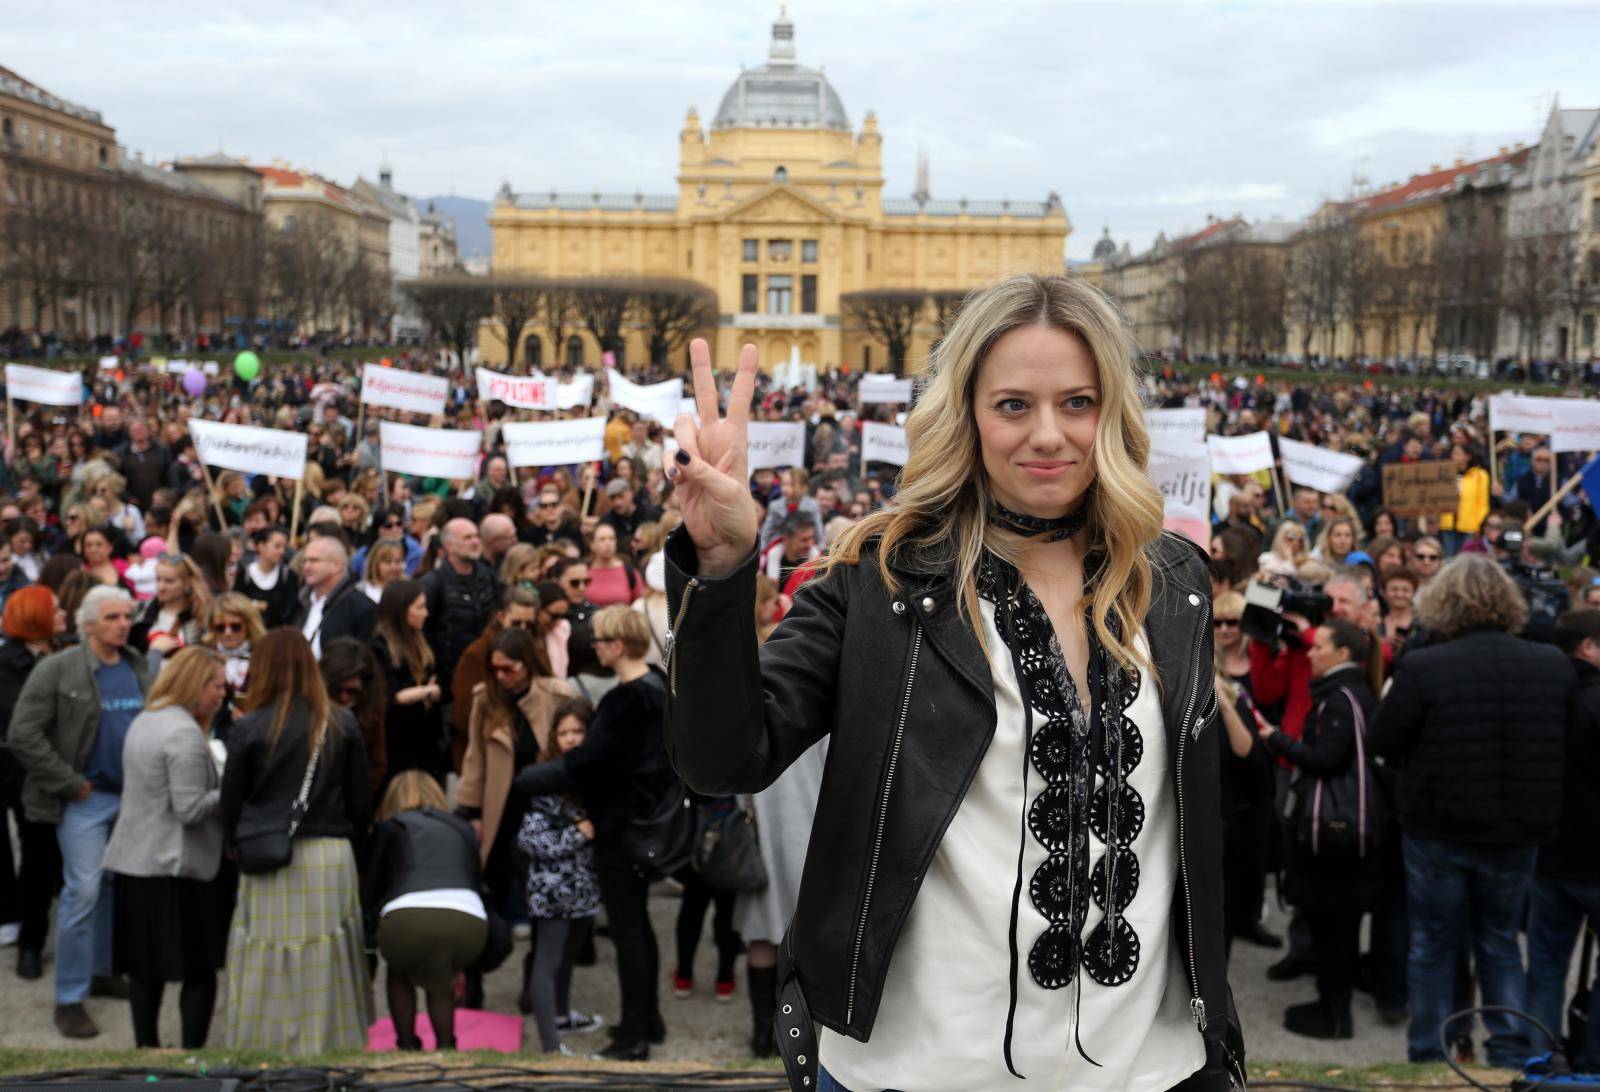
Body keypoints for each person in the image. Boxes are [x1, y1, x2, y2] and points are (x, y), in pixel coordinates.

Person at [661, 275, 1242, 1090]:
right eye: (1013, 405)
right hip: (919, 1068)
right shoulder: (880, 584)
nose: (1049, 434)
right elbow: (723, 760)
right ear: (965, 413)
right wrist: (721, 572)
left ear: (1111, 412)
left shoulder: (1173, 583)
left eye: (1077, 402)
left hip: (1152, 1068)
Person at [1370, 554, 1573, 1068]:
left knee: (1434, 946)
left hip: (1440, 830)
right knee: (1501, 943)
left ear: (1443, 602)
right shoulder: (1551, 665)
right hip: (1514, 832)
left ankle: (1431, 1054)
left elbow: (1382, 738)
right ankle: (1507, 1052)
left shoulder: (1423, 666)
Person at [514, 605, 675, 1061]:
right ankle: (649, 1022)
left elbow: (590, 763)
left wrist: (532, 779)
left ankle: (633, 1037)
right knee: (638, 928)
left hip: (621, 831)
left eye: (600, 641)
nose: (595, 648)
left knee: (628, 931)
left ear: (617, 645)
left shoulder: (626, 699)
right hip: (646, 826)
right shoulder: (657, 685)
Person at [219, 628, 373, 1054]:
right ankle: (329, 1045)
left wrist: (237, 845)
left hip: (269, 853)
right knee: (327, 959)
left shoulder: (250, 727)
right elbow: (362, 803)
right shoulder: (341, 721)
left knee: (267, 959)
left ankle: (264, 1045)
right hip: (329, 853)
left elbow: (230, 805)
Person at [8, 586, 149, 1039]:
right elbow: (23, 734)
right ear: (88, 624)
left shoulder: (136, 664)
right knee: (82, 892)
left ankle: (103, 970)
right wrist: (71, 784)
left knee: (110, 886)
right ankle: (69, 998)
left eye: (127, 616)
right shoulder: (57, 669)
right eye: (111, 617)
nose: (122, 624)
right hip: (84, 802)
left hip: (128, 799)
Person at [101, 647, 231, 1048]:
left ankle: (146, 1051)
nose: (223, 694)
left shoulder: (147, 718)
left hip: (136, 863)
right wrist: (231, 789)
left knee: (145, 971)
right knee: (198, 969)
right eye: (217, 685)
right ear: (196, 685)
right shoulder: (184, 735)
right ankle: (190, 1055)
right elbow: (190, 809)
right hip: (178, 869)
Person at [1257, 620, 1382, 1039]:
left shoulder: (1341, 698)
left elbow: (1327, 758)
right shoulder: (1352, 692)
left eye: (1320, 646)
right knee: (1337, 926)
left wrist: (1276, 740)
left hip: (1335, 834)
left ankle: (1335, 1015)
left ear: (1343, 655)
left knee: (1335, 927)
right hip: (1346, 834)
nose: (1310, 653)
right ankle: (1332, 1006)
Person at [455, 626, 573, 1008]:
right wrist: (470, 812)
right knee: (481, 895)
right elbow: (474, 759)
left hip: (543, 812)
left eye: (510, 669)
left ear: (528, 664)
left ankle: (535, 982)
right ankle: (471, 981)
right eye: (496, 669)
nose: (502, 677)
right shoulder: (485, 699)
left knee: (541, 899)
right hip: (498, 811)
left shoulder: (556, 696)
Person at [363, 771, 486, 1052]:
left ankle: (406, 1044)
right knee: (440, 975)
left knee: (399, 970)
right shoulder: (462, 827)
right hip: (468, 919)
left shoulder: (390, 827)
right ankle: (447, 1046)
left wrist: (368, 935)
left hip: (406, 919)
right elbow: (477, 880)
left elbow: (373, 887)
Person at [1525, 609, 1600, 1069]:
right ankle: (1593, 1062)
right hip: (1591, 858)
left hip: (1550, 852)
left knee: (1546, 966)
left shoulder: (1541, 695)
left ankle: (1537, 1058)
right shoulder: (1593, 700)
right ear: (1588, 648)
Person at [517, 697, 603, 1055]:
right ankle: (550, 1046)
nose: (570, 739)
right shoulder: (546, 775)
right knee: (547, 961)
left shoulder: (594, 772)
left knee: (568, 956)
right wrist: (578, 833)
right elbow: (530, 838)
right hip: (552, 890)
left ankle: (562, 1016)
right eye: (563, 732)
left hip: (583, 888)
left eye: (578, 731)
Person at [0, 586, 67, 982]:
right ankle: (29, 941)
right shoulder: (6, 665)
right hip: (16, 775)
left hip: (49, 772)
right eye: (55, 608)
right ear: (34, 618)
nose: (63, 613)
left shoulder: (64, 655)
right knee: (35, 856)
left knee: (41, 857)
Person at [449, 586, 541, 771]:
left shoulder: (536, 648)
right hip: (491, 754)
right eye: (516, 623)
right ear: (501, 617)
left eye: (529, 625)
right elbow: (463, 715)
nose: (523, 630)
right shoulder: (477, 654)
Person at [420, 518, 502, 709]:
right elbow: (424, 633)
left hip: (487, 672)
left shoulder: (489, 577)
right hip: (449, 677)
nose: (475, 542)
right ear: (449, 545)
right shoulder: (433, 583)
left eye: (476, 536)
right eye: (467, 537)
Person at [371, 579, 446, 785]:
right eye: (420, 607)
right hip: (396, 742)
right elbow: (394, 696)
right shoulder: (380, 648)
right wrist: (427, 691)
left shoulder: (423, 644)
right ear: (402, 610)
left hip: (425, 740)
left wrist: (423, 691)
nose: (426, 613)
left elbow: (439, 685)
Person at [318, 637, 389, 798]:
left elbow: (376, 766)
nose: (343, 698)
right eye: (337, 690)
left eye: (351, 691)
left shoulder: (371, 714)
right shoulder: (310, 711)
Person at [293, 535, 377, 659]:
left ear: (337, 565)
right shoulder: (300, 601)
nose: (306, 567)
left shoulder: (362, 608)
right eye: (304, 561)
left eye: (314, 560)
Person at [130, 553, 211, 673]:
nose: (161, 586)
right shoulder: (142, 611)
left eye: (169, 581)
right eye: (158, 579)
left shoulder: (202, 616)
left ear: (187, 583)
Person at [200, 594, 264, 741]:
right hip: (212, 734)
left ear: (249, 625)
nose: (228, 633)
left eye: (235, 626)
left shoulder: (263, 658)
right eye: (220, 628)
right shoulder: (203, 658)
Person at [234, 525, 298, 629]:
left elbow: (289, 612)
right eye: (277, 546)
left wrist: (264, 607)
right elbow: (237, 606)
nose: (281, 551)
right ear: (261, 546)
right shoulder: (244, 575)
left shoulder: (288, 576)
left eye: (284, 547)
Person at [757, 467, 824, 551]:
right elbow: (767, 530)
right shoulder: (775, 506)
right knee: (774, 553)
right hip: (782, 543)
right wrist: (762, 549)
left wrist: (821, 547)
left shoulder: (812, 506)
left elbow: (818, 528)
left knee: (814, 553)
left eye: (791, 484)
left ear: (804, 487)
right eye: (783, 484)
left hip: (805, 543)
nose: (785, 488)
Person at [586, 524, 643, 608]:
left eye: (611, 539)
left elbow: (640, 603)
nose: (608, 544)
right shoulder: (585, 571)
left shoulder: (629, 571)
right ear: (592, 545)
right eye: (602, 539)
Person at [358, 539, 407, 604]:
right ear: (375, 563)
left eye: (398, 561)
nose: (394, 567)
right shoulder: (360, 591)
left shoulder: (408, 589)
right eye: (387, 561)